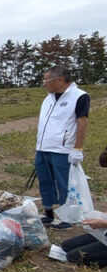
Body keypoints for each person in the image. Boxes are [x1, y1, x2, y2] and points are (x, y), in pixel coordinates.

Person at [34, 65, 90, 230]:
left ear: (59, 80)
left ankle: (68, 218)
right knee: (45, 181)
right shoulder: (48, 98)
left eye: (47, 80)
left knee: (64, 183)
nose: (44, 83)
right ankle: (48, 212)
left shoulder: (79, 96)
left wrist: (77, 149)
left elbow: (82, 123)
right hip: (43, 147)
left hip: (62, 149)